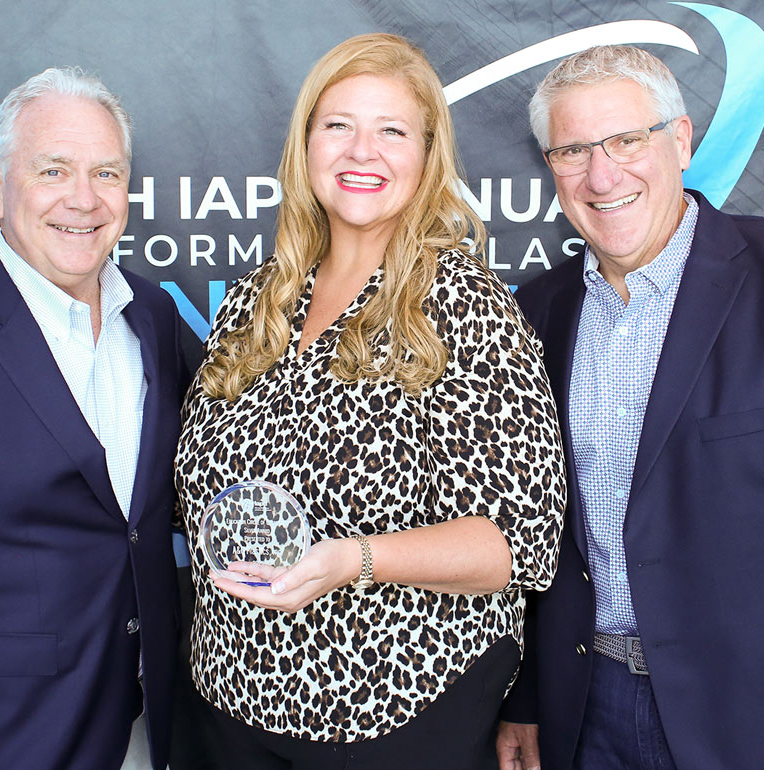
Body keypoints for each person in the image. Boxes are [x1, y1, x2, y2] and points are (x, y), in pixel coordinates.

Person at [175, 33, 566, 770]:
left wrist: (351, 560)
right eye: (339, 125)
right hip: (228, 700)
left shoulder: (462, 303)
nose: (363, 152)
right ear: (306, 145)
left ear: (426, 158)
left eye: (391, 131)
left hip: (388, 711)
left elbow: (518, 542)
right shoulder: (260, 299)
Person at [496, 44, 764, 770]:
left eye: (624, 139)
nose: (602, 173)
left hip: (760, 714)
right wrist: (524, 701)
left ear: (679, 141)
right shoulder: (537, 310)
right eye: (573, 149)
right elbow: (533, 530)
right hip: (584, 709)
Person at [0, 67, 187, 770]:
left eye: (107, 172)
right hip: (9, 740)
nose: (84, 199)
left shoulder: (153, 315)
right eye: (52, 170)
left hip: (153, 724)